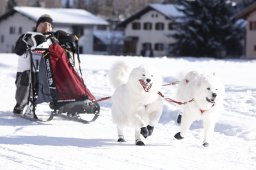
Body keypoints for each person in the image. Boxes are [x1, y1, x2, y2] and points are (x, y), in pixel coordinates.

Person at [13, 14, 75, 114]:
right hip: (29, 71)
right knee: (27, 78)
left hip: (49, 71)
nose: (46, 27)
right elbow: (18, 51)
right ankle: (21, 103)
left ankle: (64, 103)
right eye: (43, 24)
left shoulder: (54, 37)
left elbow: (69, 38)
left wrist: (68, 38)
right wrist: (24, 43)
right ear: (37, 26)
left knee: (64, 75)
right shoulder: (28, 36)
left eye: (49, 25)